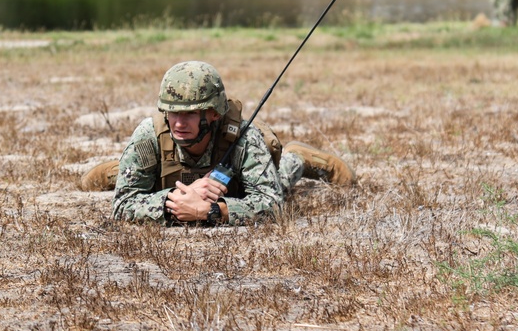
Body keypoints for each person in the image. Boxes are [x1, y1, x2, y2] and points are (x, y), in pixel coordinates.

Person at [78, 61, 356, 226]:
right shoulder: (149, 134)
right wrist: (176, 200)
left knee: (279, 184)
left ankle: (297, 157)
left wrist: (212, 211)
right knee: (121, 179)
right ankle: (119, 170)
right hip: (168, 178)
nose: (178, 123)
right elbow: (122, 206)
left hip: (235, 184)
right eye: (173, 113)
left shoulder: (244, 138)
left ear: (213, 113)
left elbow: (272, 204)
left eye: (190, 114)